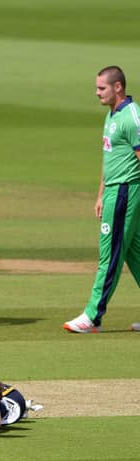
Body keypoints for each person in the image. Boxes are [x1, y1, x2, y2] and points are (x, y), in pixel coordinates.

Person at [64, 66, 140, 334]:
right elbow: (110, 159)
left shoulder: (132, 117)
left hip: (125, 192)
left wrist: (114, 194)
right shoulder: (111, 116)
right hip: (113, 191)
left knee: (110, 256)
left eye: (101, 88)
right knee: (135, 254)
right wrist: (100, 194)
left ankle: (93, 315)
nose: (97, 93)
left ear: (118, 87)